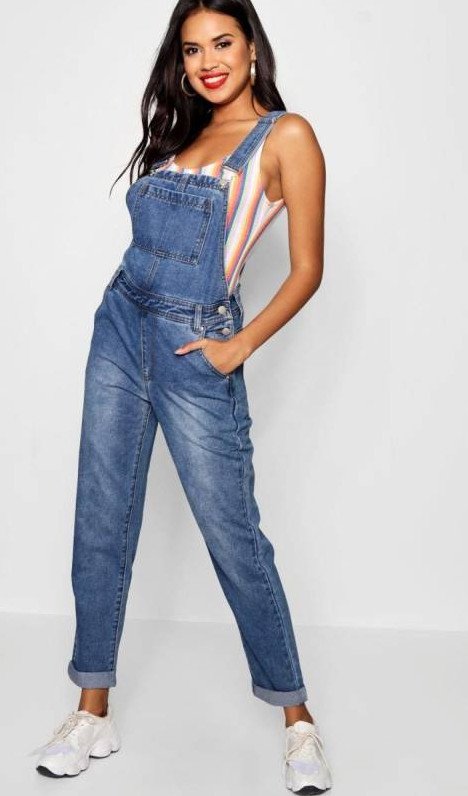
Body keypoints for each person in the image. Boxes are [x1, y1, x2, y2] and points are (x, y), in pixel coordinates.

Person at [30, 0, 331, 792]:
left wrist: (239, 344)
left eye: (222, 42)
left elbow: (307, 268)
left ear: (252, 47)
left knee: (233, 536)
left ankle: (298, 722)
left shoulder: (285, 136)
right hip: (120, 328)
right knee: (101, 518)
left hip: (196, 346)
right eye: (193, 49)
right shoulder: (181, 137)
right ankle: (92, 710)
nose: (208, 61)